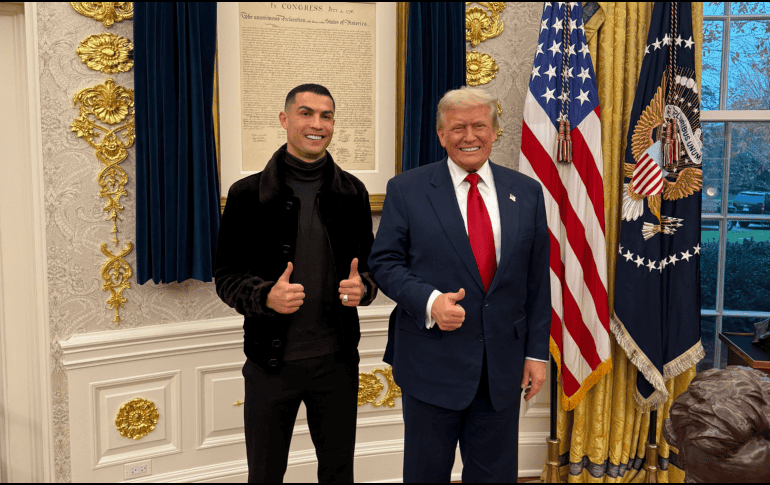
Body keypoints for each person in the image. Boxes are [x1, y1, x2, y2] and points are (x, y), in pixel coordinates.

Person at [369, 86, 551, 482]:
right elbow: (383, 262)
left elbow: (537, 282)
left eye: (479, 126)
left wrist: (537, 354)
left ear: (495, 131)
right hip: (431, 364)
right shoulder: (407, 189)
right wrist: (431, 301)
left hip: (502, 369)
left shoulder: (527, 192)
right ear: (440, 134)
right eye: (458, 128)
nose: (469, 136)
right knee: (426, 474)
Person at [215, 83, 378, 483]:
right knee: (266, 474)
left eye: (325, 116)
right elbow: (225, 277)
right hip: (270, 364)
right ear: (285, 120)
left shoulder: (352, 193)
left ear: (333, 124)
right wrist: (264, 296)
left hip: (337, 362)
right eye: (306, 113)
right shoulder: (247, 194)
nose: (316, 124)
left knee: (339, 473)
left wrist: (365, 289)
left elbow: (371, 270)